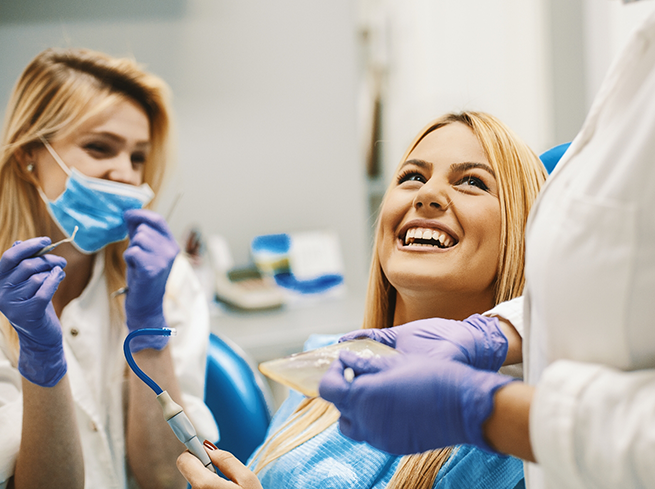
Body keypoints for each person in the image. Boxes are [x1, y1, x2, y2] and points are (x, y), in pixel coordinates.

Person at [314, 0, 655, 487]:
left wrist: (483, 410)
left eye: (472, 181)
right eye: (412, 175)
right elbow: (627, 291)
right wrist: (498, 333)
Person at [176, 111, 548, 489]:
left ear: (521, 231)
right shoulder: (322, 362)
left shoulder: (514, 434)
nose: (427, 194)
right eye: (412, 177)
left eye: (472, 182)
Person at [0, 48, 218, 489]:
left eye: (137, 157)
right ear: (27, 155)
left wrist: (148, 326)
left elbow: (165, 479)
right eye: (99, 147)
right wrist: (40, 356)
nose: (125, 174)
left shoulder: (165, 280)